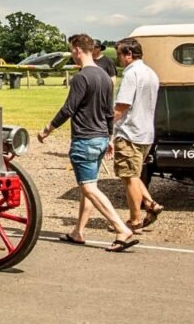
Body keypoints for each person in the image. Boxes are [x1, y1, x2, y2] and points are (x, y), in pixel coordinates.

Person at [38, 34, 137, 252]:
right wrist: (109, 137)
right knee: (89, 186)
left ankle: (121, 228)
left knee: (89, 188)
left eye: (71, 50)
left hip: (85, 138)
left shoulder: (81, 78)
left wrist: (47, 129)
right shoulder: (105, 76)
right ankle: (78, 231)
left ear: (76, 49)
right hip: (101, 137)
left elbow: (68, 109)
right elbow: (109, 112)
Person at [113, 37, 164, 231]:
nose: (118, 58)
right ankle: (151, 204)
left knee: (129, 177)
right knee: (134, 174)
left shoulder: (131, 74)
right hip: (146, 132)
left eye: (119, 54)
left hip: (130, 132)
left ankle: (134, 221)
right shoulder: (151, 73)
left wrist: (106, 125)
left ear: (128, 54)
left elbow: (122, 106)